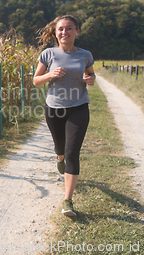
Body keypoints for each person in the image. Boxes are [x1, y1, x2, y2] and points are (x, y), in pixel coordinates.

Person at [33, 15, 95, 217]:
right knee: (60, 148)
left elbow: (91, 75)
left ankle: (67, 200)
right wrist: (50, 75)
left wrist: (90, 78)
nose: (64, 32)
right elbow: (36, 81)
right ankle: (58, 156)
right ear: (55, 32)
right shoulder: (48, 54)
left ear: (77, 31)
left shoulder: (85, 55)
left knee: (72, 153)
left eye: (69, 29)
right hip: (54, 109)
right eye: (61, 29)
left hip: (79, 107)